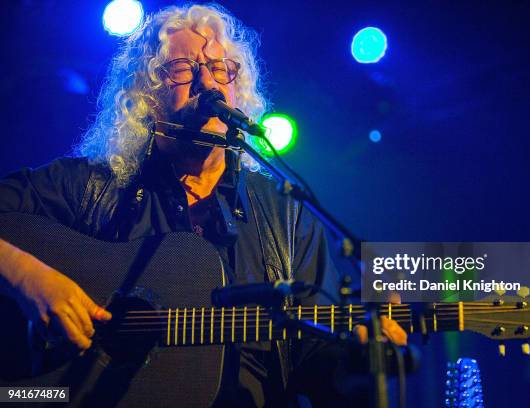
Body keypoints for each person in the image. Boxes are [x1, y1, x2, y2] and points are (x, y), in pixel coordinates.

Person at [0, 4, 406, 406]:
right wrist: (27, 278)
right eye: (183, 69)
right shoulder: (91, 187)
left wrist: (360, 361)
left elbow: (314, 366)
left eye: (220, 69)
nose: (208, 84)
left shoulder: (285, 215)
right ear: (147, 94)